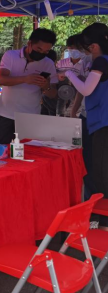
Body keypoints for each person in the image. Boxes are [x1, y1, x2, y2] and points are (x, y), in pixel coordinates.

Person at [63, 23, 108, 199]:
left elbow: (86, 90)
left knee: (100, 170)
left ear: (93, 46)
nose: (82, 53)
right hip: (100, 120)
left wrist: (68, 73)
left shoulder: (101, 61)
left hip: (103, 122)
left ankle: (101, 212)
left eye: (84, 49)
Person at [0, 28, 58, 144]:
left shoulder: (48, 63)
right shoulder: (11, 55)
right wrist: (25, 79)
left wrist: (46, 86)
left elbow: (53, 94)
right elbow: (1, 80)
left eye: (46, 51)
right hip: (6, 114)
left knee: (28, 151)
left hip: (30, 117)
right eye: (39, 49)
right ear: (29, 43)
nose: (41, 54)